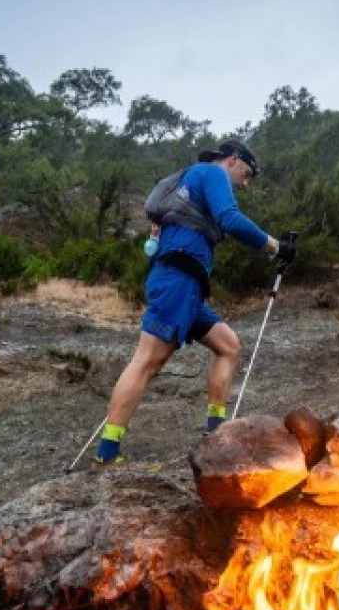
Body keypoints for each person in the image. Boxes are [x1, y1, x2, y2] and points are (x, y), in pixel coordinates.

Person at [91, 140, 295, 466]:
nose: (245, 183)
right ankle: (107, 454)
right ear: (233, 159)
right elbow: (230, 220)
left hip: (186, 285)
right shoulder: (212, 173)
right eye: (247, 173)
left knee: (229, 347)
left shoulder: (191, 179)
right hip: (178, 279)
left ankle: (216, 434)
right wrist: (276, 247)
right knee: (147, 360)